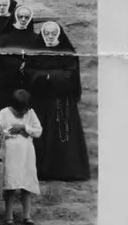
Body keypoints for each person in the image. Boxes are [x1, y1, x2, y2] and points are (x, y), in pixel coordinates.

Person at [27, 21, 91, 182]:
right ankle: (41, 171)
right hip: (41, 100)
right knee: (42, 132)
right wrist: (53, 75)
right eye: (46, 33)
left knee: (62, 134)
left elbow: (70, 76)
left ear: (59, 35)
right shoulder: (35, 53)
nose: (50, 36)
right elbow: (28, 73)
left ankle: (65, 171)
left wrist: (47, 75)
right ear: (42, 34)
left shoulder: (67, 53)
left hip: (62, 100)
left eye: (53, 33)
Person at [0, 89, 42, 225]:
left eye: (24, 110)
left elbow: (38, 131)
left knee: (26, 184)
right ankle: (8, 215)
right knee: (11, 184)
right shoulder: (4, 113)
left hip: (27, 154)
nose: (22, 113)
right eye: (19, 110)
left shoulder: (30, 113)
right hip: (11, 154)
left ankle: (27, 215)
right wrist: (12, 132)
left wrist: (24, 127)